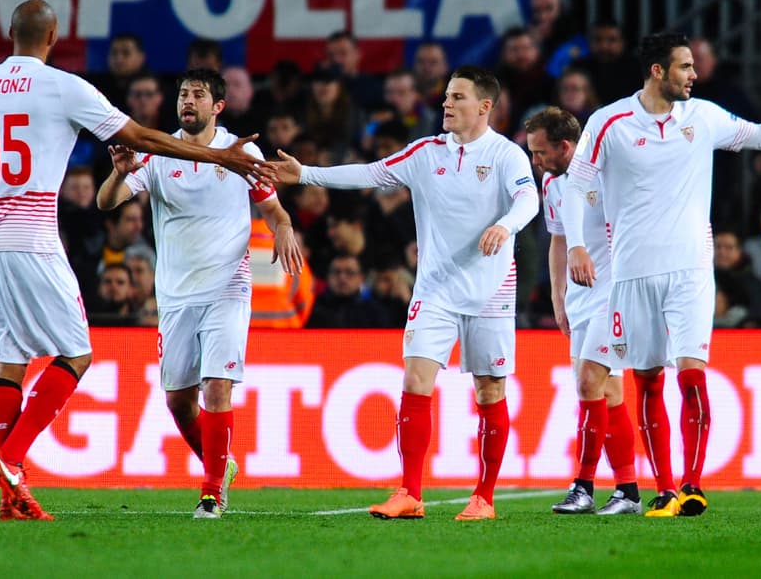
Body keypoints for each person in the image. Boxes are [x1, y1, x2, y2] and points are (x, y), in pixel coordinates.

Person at [0, 0, 272, 522]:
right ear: (52, 36)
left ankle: (11, 497)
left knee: (10, 361)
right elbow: (139, 137)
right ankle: (11, 459)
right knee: (75, 355)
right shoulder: (64, 86)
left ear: (10, 33)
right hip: (32, 238)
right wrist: (220, 156)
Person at [563, 32, 761, 517]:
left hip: (691, 270)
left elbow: (760, 135)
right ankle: (664, 489)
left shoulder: (704, 117)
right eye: (685, 66)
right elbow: (575, 186)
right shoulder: (608, 122)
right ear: (657, 71)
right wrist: (578, 248)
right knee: (648, 381)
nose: (694, 75)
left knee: (691, 375)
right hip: (630, 275)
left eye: (693, 66)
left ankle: (691, 484)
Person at [270, 65, 537, 522]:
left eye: (457, 97)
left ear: (484, 106)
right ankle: (410, 492)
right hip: (434, 287)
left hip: (492, 289)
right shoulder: (424, 153)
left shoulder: (507, 155)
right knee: (415, 382)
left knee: (490, 389)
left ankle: (484, 499)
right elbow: (370, 172)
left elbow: (528, 200)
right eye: (447, 97)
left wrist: (504, 225)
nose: (445, 104)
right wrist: (306, 175)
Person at [95, 67, 300, 519]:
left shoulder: (240, 151)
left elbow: (274, 208)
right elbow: (106, 203)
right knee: (178, 401)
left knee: (216, 388)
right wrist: (118, 175)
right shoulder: (157, 154)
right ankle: (220, 464)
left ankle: (211, 493)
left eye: (198, 94)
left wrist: (284, 229)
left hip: (228, 285)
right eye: (183, 93)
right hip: (175, 294)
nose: (188, 101)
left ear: (218, 107)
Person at [524, 107, 641, 516]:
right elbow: (558, 239)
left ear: (566, 146)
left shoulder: (607, 173)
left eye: (540, 152)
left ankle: (583, 486)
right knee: (608, 393)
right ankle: (628, 491)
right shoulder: (552, 181)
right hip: (580, 298)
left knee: (589, 382)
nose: (535, 161)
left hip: (615, 294)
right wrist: (559, 297)